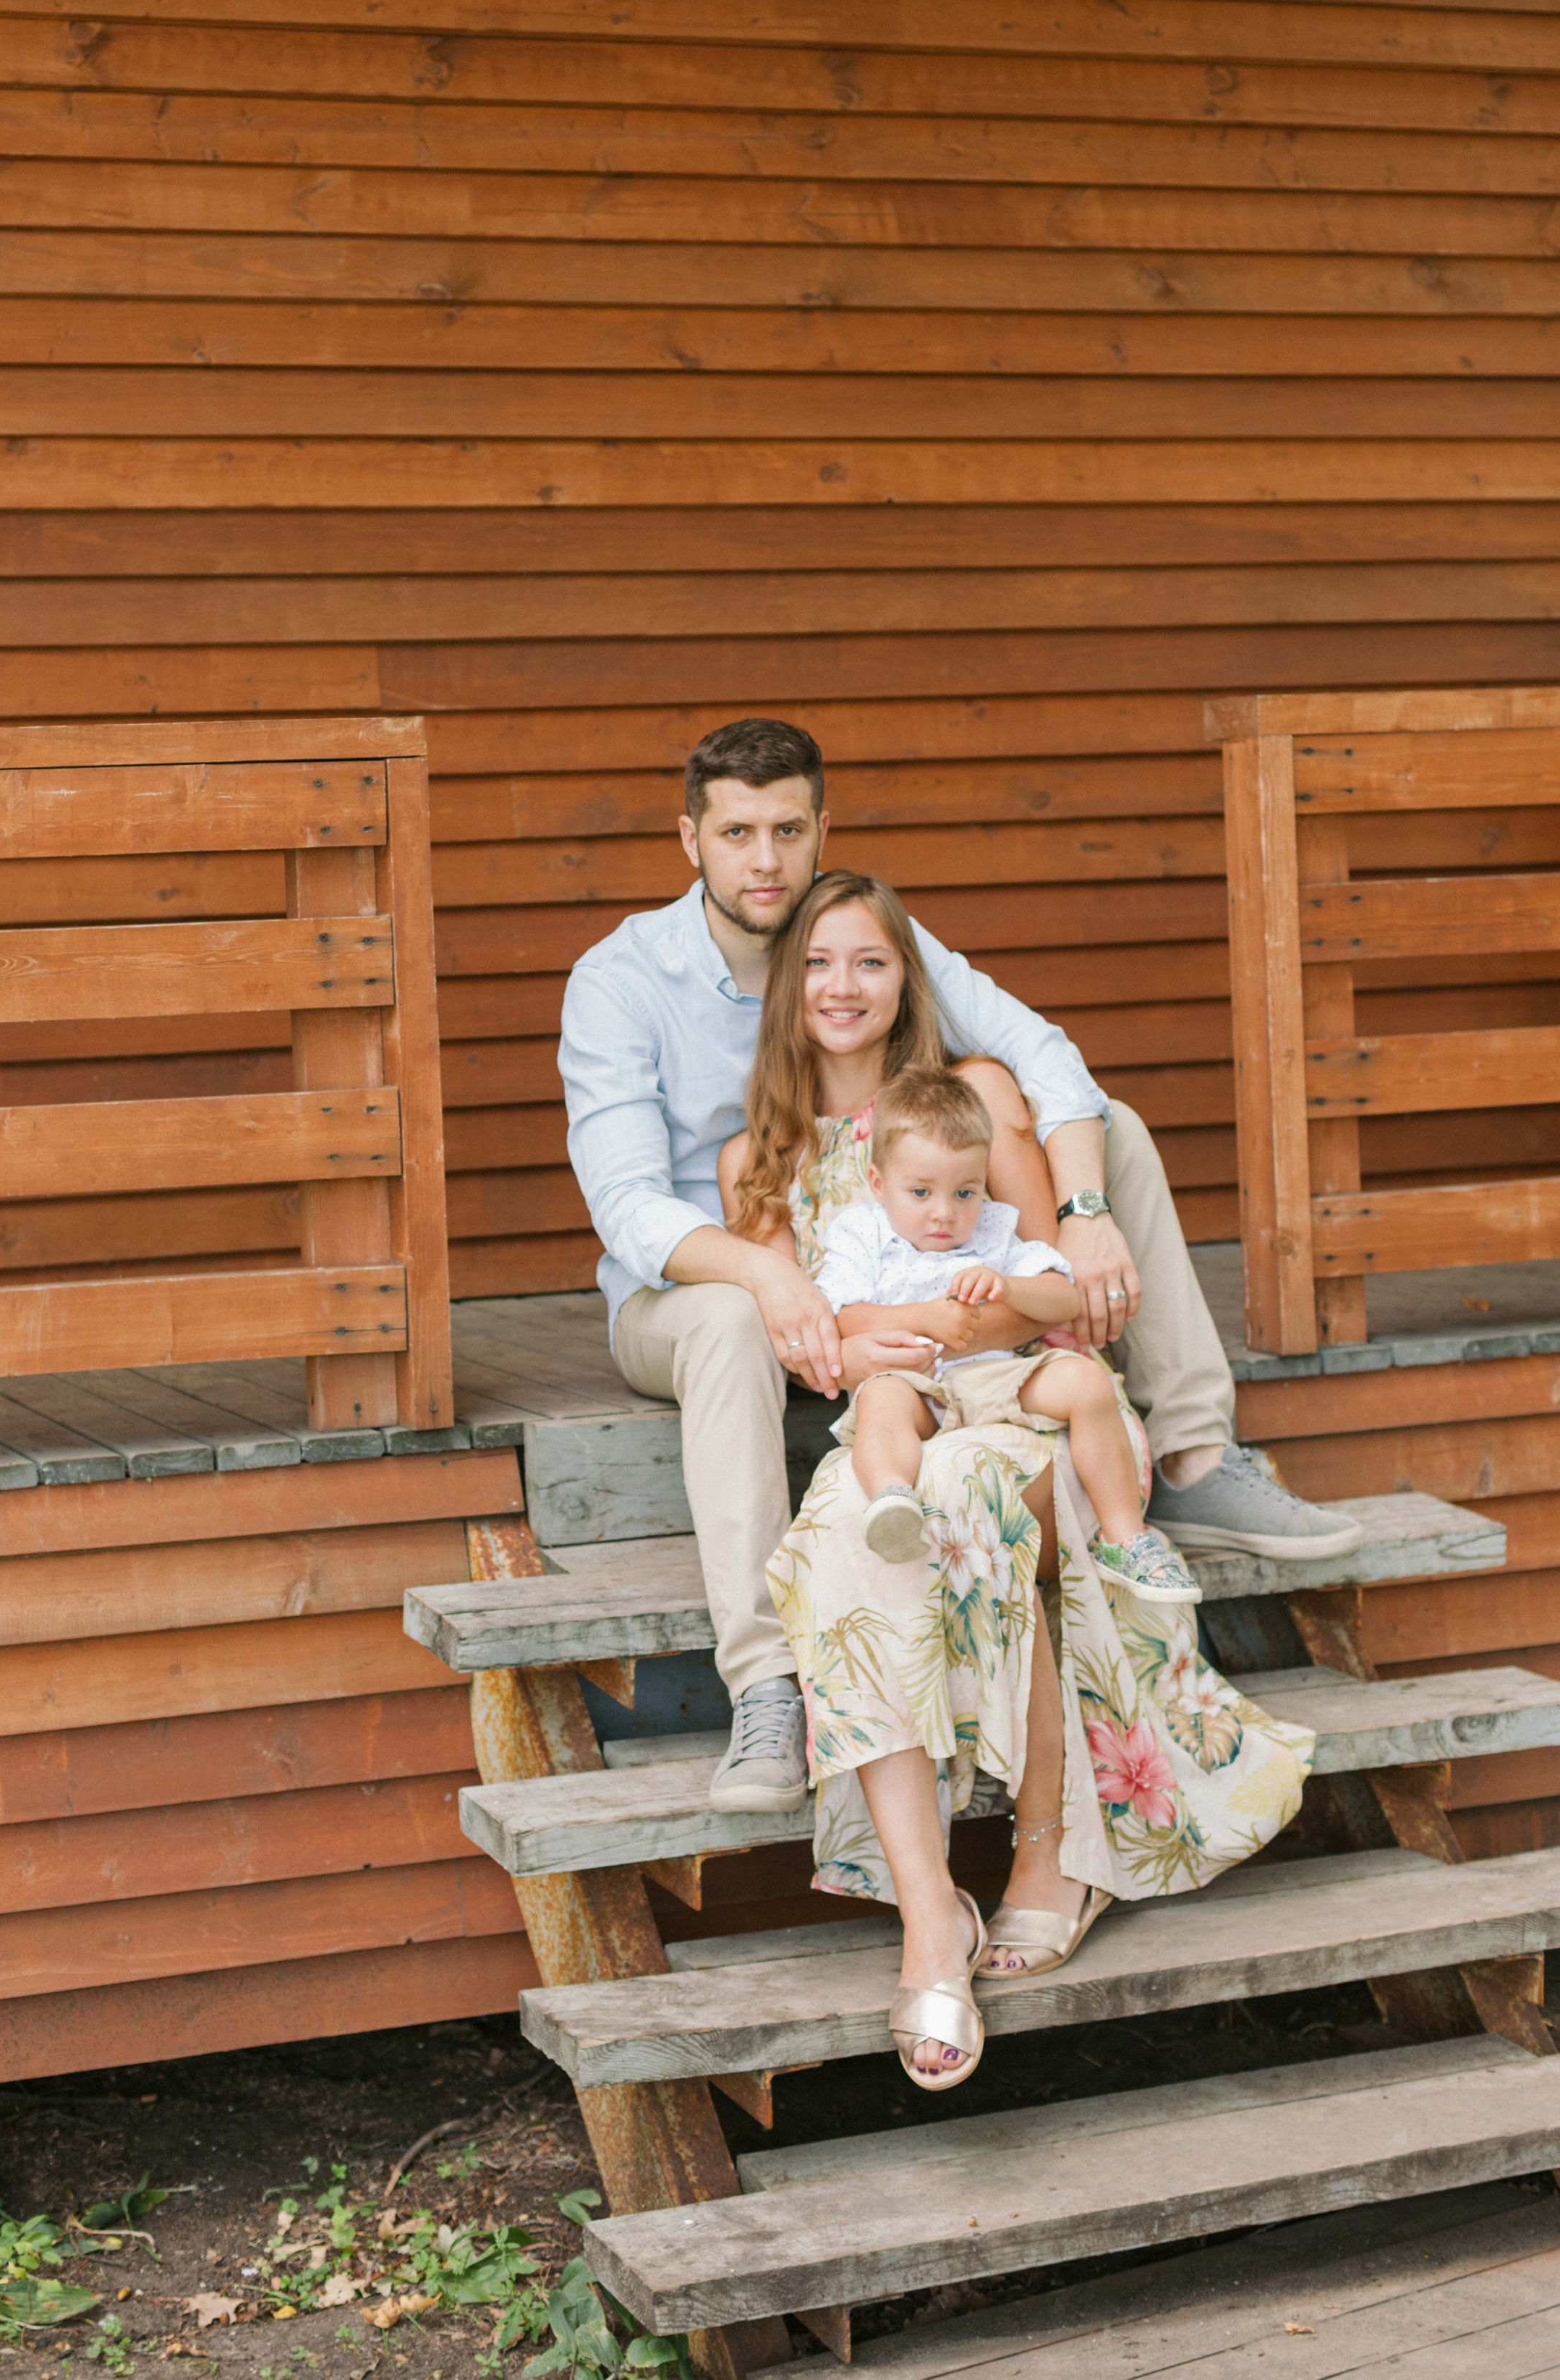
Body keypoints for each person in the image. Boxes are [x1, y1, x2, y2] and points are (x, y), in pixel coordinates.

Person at [558, 715, 1357, 1814]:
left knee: (1109, 1125)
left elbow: (1042, 1054)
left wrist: (1078, 1209)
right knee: (731, 1318)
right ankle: (766, 1687)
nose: (766, 860)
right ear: (689, 838)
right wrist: (772, 1276)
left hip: (893, 1234)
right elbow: (627, 1206)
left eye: (788, 830)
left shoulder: (863, 930)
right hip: (698, 1282)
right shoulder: (622, 980)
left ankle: (1194, 1451)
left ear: (820, 827)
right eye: (737, 832)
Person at [731, 872, 1313, 2091]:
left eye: (872, 963)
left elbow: (1053, 1296)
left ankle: (1050, 1852)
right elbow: (809, 1339)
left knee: (974, 1506)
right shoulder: (761, 1156)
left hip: (1016, 1402)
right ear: (787, 993)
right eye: (820, 966)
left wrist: (937, 1315)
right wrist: (861, 1339)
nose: (845, 987)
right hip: (892, 1424)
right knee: (851, 1536)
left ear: (906, 978)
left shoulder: (982, 1098)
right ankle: (930, 1910)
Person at [816, 1063, 1200, 1605]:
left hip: (998, 1377)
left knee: (1084, 1383)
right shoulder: (862, 1234)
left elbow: (1063, 1296)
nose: (945, 1214)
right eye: (921, 1192)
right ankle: (893, 1500)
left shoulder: (995, 1227)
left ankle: (1126, 1538)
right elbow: (842, 1316)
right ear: (879, 1183)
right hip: (916, 1386)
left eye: (965, 1192)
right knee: (881, 1399)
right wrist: (925, 1318)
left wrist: (1009, 1286)